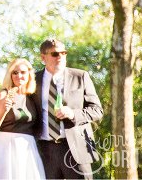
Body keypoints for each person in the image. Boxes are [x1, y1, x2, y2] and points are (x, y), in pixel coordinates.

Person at [30, 39, 102, 180]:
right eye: (55, 54)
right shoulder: (33, 80)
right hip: (45, 150)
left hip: (76, 148)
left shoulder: (80, 76)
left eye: (63, 53)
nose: (60, 57)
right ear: (43, 58)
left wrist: (72, 113)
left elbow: (97, 110)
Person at [0, 58, 45, 179]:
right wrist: (4, 110)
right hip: (5, 147)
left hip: (27, 148)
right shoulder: (3, 94)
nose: (19, 76)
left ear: (29, 74)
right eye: (15, 72)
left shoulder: (32, 97)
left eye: (22, 72)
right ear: (10, 75)